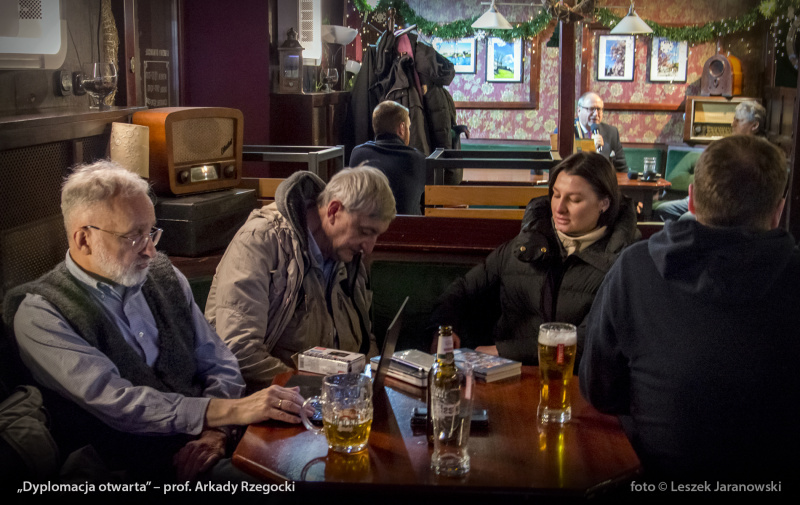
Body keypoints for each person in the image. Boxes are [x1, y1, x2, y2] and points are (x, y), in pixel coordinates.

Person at [3, 161, 305, 482]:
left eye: (151, 232)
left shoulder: (162, 273)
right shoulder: (41, 313)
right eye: (134, 236)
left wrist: (217, 431)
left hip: (214, 442)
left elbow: (219, 362)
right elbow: (121, 405)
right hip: (129, 468)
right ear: (84, 239)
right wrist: (231, 411)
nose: (150, 251)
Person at [580, 135, 798, 481]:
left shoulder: (636, 267)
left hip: (653, 477)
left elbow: (599, 389)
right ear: (778, 211)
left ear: (691, 199)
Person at [428, 152, 639, 370]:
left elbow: (591, 341)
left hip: (575, 380)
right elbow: (462, 289)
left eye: (574, 199)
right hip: (503, 374)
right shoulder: (527, 243)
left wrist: (502, 352)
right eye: (556, 195)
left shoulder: (624, 261)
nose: (559, 208)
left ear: (604, 203)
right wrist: (443, 329)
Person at [205, 166, 395, 392]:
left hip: (330, 400)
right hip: (267, 401)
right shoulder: (260, 241)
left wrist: (368, 386)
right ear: (334, 211)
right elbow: (238, 351)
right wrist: (316, 391)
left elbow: (366, 341)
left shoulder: (349, 257)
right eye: (364, 231)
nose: (369, 247)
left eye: (376, 235)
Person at [653, 99, 768, 221]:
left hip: (724, 205)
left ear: (754, 126)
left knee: (686, 219)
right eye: (734, 119)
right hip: (703, 197)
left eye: (739, 120)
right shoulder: (730, 145)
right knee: (663, 210)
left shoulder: (760, 153)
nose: (732, 124)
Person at [349, 101, 426, 215]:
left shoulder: (358, 153)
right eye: (409, 127)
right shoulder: (417, 159)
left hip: (365, 225)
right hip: (406, 226)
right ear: (402, 128)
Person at [574, 92, 628, 172]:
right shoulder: (566, 132)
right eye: (591, 109)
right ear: (579, 110)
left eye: (599, 109)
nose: (596, 114)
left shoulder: (612, 132)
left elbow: (622, 169)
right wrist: (591, 148)